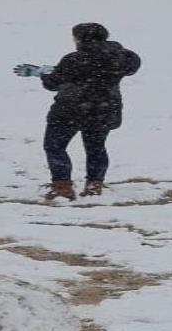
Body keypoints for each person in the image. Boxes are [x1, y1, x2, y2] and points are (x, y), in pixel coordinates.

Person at [14, 23, 141, 201]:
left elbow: (53, 83)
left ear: (80, 38)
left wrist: (41, 73)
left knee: (55, 146)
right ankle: (94, 185)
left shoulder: (74, 59)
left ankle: (62, 186)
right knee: (95, 148)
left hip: (70, 110)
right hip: (104, 109)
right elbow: (126, 66)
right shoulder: (122, 58)